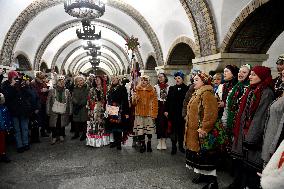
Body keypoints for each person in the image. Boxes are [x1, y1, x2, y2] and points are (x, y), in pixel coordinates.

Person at [230, 66, 274, 189]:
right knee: (243, 164)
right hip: (245, 133)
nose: (250, 76)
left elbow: (260, 117)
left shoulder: (266, 92)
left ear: (262, 76)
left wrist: (250, 139)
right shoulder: (252, 89)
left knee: (252, 168)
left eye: (253, 75)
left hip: (254, 138)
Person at [184, 72, 219, 189]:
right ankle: (202, 175)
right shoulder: (198, 93)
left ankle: (213, 182)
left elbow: (211, 114)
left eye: (197, 79)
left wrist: (205, 128)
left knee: (206, 155)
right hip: (194, 131)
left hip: (201, 131)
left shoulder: (207, 94)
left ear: (204, 82)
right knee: (198, 155)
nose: (194, 81)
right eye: (194, 79)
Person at [2, 71, 33, 153]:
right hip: (14, 111)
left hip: (23, 110)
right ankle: (20, 146)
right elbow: (6, 98)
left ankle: (26, 144)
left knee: (25, 128)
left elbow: (29, 95)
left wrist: (25, 86)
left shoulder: (21, 85)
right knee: (17, 129)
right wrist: (11, 87)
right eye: (14, 78)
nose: (16, 79)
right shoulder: (6, 85)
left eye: (17, 77)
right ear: (10, 78)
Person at [262, 69, 284, 165]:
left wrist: (274, 146)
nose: (282, 79)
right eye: (282, 75)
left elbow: (282, 125)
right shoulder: (281, 94)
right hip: (270, 138)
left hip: (277, 144)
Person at [132, 75, 158, 153]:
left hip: (149, 114)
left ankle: (149, 143)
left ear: (148, 81)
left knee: (149, 131)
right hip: (139, 113)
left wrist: (154, 113)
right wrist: (135, 99)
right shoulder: (137, 89)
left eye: (145, 80)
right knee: (140, 131)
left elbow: (155, 103)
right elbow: (133, 103)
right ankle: (143, 144)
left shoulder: (152, 90)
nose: (143, 82)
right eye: (142, 80)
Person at [164, 71, 188, 155]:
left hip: (182, 114)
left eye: (179, 78)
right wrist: (166, 110)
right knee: (173, 131)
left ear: (182, 79)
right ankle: (173, 147)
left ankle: (181, 146)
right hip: (173, 113)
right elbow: (168, 101)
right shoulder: (172, 88)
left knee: (181, 131)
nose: (177, 80)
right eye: (176, 78)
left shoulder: (186, 88)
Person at [105, 76, 130, 150]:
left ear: (118, 80)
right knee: (113, 126)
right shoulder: (110, 88)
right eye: (112, 79)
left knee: (118, 126)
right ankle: (115, 142)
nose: (113, 80)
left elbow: (125, 100)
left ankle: (119, 143)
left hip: (119, 109)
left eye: (114, 79)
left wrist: (126, 112)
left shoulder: (122, 88)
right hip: (111, 108)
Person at [46, 75, 72, 144]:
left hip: (63, 109)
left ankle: (61, 135)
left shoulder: (67, 91)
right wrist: (48, 110)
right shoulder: (52, 91)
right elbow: (48, 101)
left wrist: (70, 110)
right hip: (54, 110)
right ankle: (54, 137)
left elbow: (70, 101)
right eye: (59, 82)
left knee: (62, 123)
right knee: (54, 124)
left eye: (62, 82)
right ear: (57, 82)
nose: (61, 83)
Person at [86, 76, 107, 148]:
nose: (96, 81)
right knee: (93, 124)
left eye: (98, 80)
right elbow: (89, 100)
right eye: (95, 80)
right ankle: (93, 141)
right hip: (94, 108)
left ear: (101, 80)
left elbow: (107, 99)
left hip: (102, 109)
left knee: (101, 124)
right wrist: (90, 109)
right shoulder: (92, 89)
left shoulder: (105, 89)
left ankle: (101, 141)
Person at [31, 71, 49, 137]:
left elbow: (46, 89)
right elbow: (33, 92)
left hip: (44, 102)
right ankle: (36, 135)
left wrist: (47, 90)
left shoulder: (43, 83)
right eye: (41, 75)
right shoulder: (33, 83)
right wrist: (41, 91)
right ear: (37, 76)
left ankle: (43, 131)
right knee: (37, 118)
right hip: (37, 103)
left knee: (44, 118)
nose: (42, 80)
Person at [154, 73, 170, 150]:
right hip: (158, 106)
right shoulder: (155, 87)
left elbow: (170, 99)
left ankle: (164, 141)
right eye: (159, 77)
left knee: (165, 124)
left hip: (166, 106)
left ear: (165, 77)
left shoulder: (169, 87)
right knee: (158, 124)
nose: (160, 78)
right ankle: (159, 141)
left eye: (162, 77)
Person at [71, 75, 89, 140]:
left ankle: (84, 134)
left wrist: (81, 103)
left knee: (84, 121)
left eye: (81, 80)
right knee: (76, 121)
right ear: (76, 82)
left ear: (84, 81)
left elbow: (86, 97)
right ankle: (76, 133)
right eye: (78, 81)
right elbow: (73, 97)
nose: (80, 82)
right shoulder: (75, 88)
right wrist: (75, 102)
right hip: (76, 106)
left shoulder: (87, 88)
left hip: (83, 107)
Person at [0, 93, 12, 163]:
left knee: (2, 142)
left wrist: (9, 126)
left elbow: (8, 118)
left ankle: (3, 154)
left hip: (3, 128)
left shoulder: (4, 108)